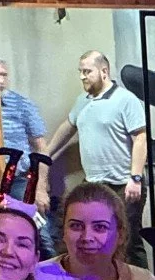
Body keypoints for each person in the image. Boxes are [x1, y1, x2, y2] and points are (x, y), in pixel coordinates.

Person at [43, 51, 149, 224]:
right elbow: (68, 126)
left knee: (127, 240)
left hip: (122, 184)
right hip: (93, 183)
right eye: (80, 72)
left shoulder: (126, 100)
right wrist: (46, 154)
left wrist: (135, 178)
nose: (82, 77)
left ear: (104, 72)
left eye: (87, 72)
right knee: (98, 234)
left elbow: (140, 138)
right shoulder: (82, 101)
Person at [0, 59, 47, 169]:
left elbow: (40, 144)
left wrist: (42, 179)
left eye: (4, 75)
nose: (1, 80)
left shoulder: (23, 103)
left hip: (19, 176)